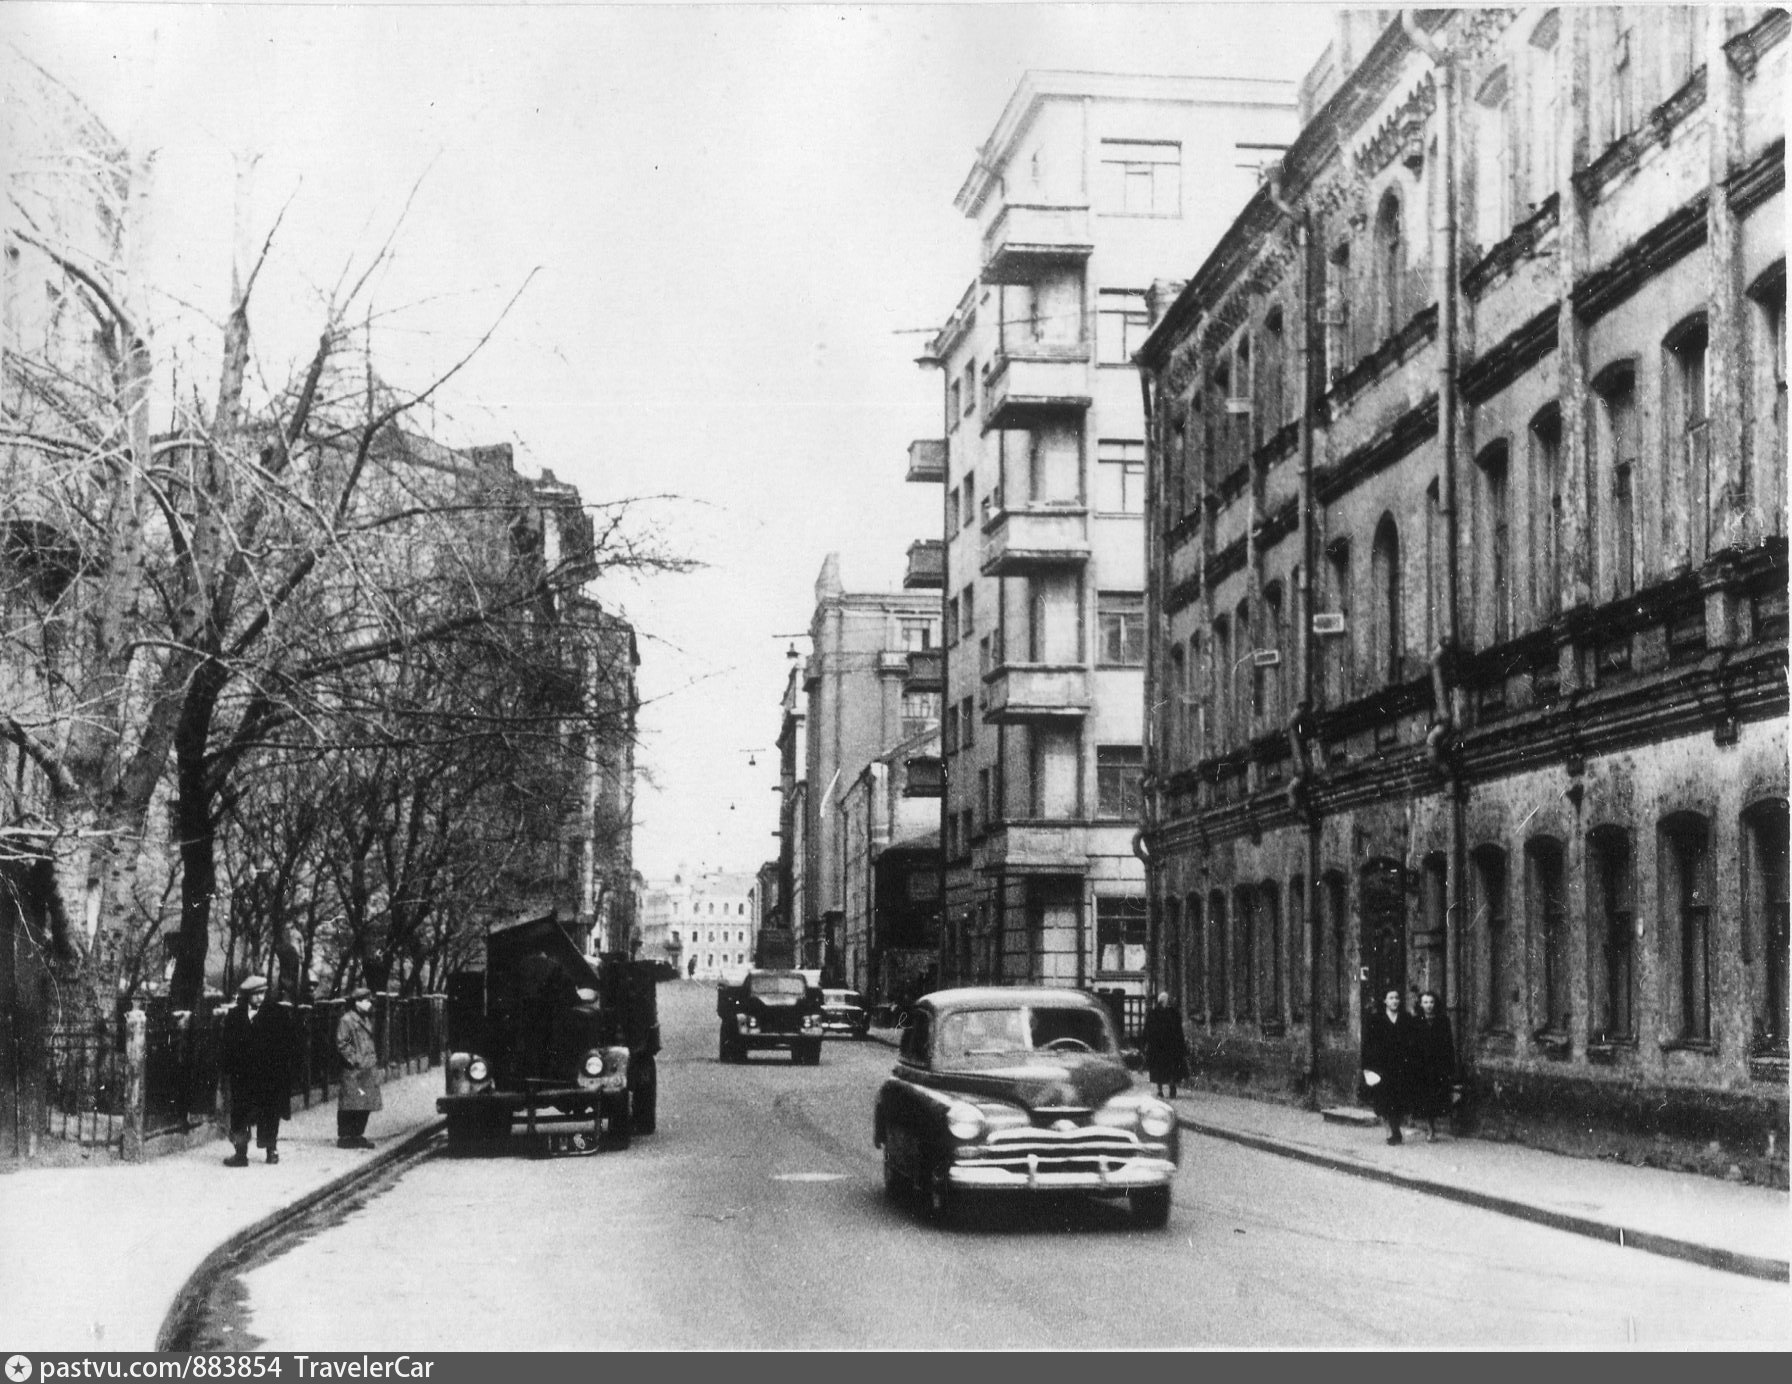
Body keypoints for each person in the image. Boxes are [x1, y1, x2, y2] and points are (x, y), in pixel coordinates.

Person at [220, 974, 296, 1166]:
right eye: (255, 995)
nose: (260, 998)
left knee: (269, 1113)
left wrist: (282, 1069)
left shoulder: (276, 1014)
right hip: (243, 1075)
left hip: (268, 1075)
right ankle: (240, 1154)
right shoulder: (235, 1016)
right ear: (247, 995)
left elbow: (287, 1044)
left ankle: (271, 1150)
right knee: (240, 1114)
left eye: (262, 993)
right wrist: (229, 1068)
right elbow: (227, 1045)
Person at [1360, 987, 1412, 1146]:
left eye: (1397, 998)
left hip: (1400, 1065)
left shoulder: (1405, 1018)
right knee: (1383, 1099)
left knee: (1399, 1099)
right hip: (1381, 1065)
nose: (1394, 1001)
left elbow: (1411, 1041)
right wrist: (1367, 1067)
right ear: (1385, 1001)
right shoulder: (1376, 1019)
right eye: (1391, 998)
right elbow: (1368, 1044)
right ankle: (1389, 1130)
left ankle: (1396, 1128)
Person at [334, 986, 383, 1150]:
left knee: (365, 1103)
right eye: (366, 1001)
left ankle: (358, 1134)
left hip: (367, 1068)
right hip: (354, 1069)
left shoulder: (366, 1018)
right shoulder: (347, 1020)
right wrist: (355, 1060)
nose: (369, 1004)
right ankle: (346, 1136)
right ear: (357, 1002)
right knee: (351, 1103)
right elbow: (343, 1043)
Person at [1409, 989, 1456, 1142]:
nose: (1429, 1005)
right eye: (1425, 1002)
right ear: (1421, 1005)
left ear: (1435, 1004)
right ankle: (1430, 1129)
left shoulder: (1443, 1021)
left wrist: (1449, 1065)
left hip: (1438, 1065)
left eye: (1431, 1002)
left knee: (1438, 1097)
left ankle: (1434, 1127)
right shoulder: (1416, 1022)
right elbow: (1412, 1044)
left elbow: (1448, 1044)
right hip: (1422, 1065)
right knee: (1425, 1097)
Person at [1141, 992, 1190, 1099]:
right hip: (1166, 1047)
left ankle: (1164, 1089)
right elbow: (1178, 1031)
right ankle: (1168, 1087)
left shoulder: (1155, 1013)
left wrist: (1145, 1044)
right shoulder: (1170, 1013)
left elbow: (1147, 1031)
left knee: (1161, 1068)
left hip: (1160, 1047)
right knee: (1167, 1068)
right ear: (1165, 1001)